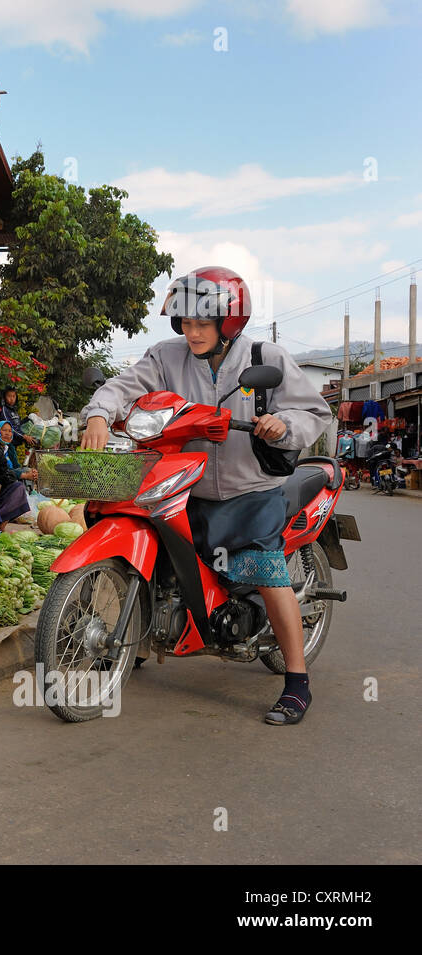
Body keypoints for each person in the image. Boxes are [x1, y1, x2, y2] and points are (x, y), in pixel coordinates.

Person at [79, 266, 333, 726]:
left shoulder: (263, 355)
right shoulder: (166, 357)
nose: (192, 332)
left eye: (202, 324)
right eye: (185, 323)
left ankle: (296, 682)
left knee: (264, 571)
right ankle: (137, 640)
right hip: (187, 486)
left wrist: (285, 425)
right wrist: (99, 414)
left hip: (252, 490)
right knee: (163, 559)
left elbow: (315, 410)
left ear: (229, 323)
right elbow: (124, 386)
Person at [0, 387, 37, 452]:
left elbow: (18, 425)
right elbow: (10, 428)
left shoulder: (13, 411)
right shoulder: (4, 410)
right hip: (8, 443)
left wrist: (29, 417)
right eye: (9, 396)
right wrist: (24, 436)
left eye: (14, 396)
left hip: (14, 443)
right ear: (4, 398)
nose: (12, 399)